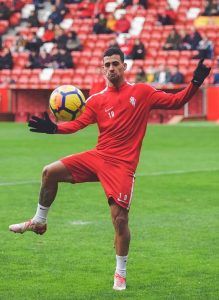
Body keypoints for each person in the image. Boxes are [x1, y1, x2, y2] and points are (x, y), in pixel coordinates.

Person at [9, 48, 211, 291]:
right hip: (98, 157)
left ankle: (121, 272)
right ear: (102, 68)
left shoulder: (142, 92)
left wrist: (195, 82)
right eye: (108, 64)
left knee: (120, 220)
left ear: (124, 66)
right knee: (48, 172)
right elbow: (76, 124)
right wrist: (54, 129)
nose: (112, 68)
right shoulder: (95, 100)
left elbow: (177, 101)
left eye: (116, 63)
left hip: (122, 166)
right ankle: (39, 222)